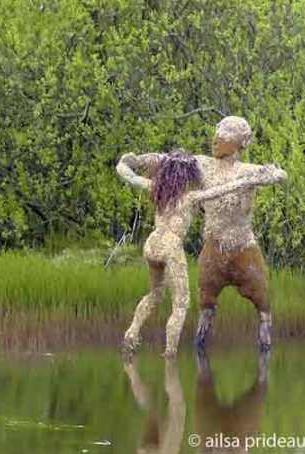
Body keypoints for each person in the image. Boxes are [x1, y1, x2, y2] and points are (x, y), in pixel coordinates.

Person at [117, 116, 286, 352]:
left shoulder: (248, 170)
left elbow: (278, 175)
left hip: (243, 248)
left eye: (224, 133)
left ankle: (264, 345)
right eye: (217, 131)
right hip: (213, 249)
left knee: (262, 301)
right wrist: (139, 159)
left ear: (240, 142)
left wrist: (271, 175)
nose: (216, 137)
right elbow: (168, 160)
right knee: (203, 302)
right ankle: (188, 352)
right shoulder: (202, 164)